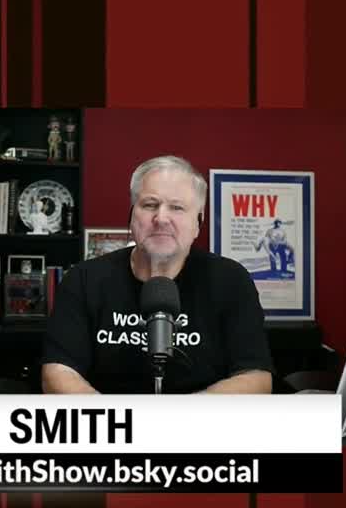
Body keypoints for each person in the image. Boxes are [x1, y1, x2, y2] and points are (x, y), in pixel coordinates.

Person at [42, 155, 274, 394]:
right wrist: (120, 424)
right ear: (132, 216)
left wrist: (172, 422)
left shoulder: (231, 281)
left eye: (177, 207)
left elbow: (255, 379)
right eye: (150, 205)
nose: (161, 218)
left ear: (198, 223)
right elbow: (58, 372)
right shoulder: (84, 279)